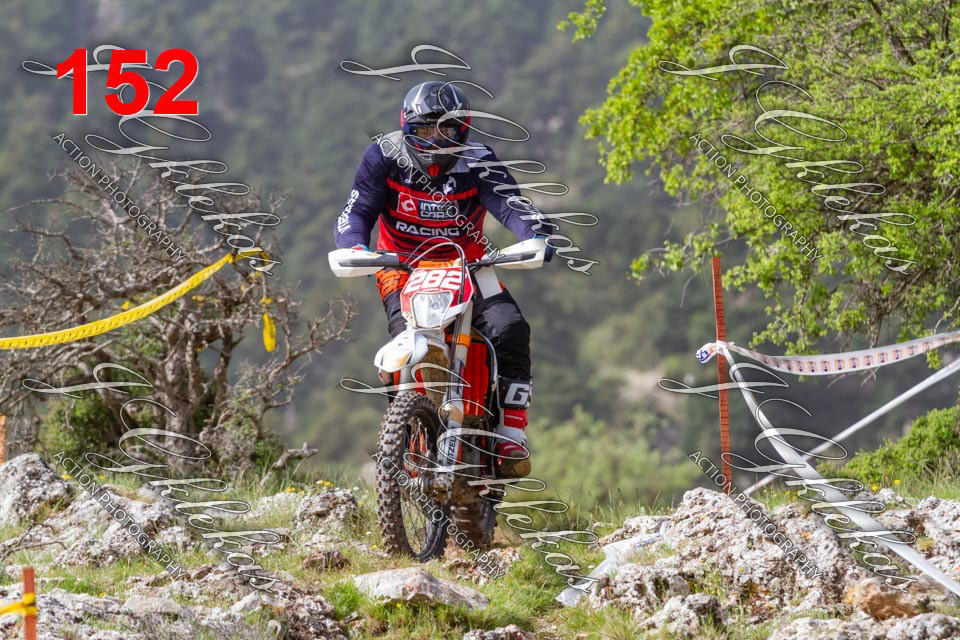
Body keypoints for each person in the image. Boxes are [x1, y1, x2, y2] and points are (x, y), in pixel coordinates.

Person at [334, 80, 553, 477]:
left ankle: (511, 431)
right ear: (406, 127)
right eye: (423, 130)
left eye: (446, 130)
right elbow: (357, 210)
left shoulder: (480, 161)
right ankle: (406, 432)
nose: (435, 141)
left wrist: (534, 234)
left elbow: (511, 205)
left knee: (510, 328)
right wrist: (354, 246)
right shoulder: (383, 156)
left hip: (469, 264)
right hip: (401, 267)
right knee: (406, 339)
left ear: (463, 130)